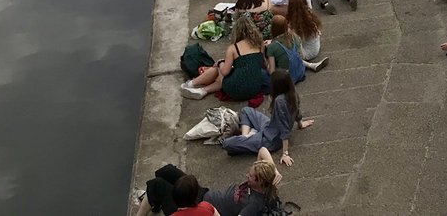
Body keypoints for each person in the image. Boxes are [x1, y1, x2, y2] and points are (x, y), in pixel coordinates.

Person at [220, 68, 314, 164]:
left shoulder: (279, 101)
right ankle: (246, 136)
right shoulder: (293, 93)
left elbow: (284, 128)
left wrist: (285, 153)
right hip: (269, 126)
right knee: (246, 110)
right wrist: (300, 123)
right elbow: (297, 111)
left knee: (227, 143)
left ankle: (248, 138)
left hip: (271, 140)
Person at [135, 155, 280, 216]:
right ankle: (154, 203)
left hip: (198, 205)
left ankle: (151, 200)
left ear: (260, 181)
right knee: (166, 171)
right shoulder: (259, 183)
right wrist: (274, 170)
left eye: (250, 176)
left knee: (157, 185)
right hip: (203, 193)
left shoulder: (254, 203)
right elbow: (262, 151)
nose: (246, 176)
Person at [180, 15, 266, 101]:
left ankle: (193, 84)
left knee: (220, 68)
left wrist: (220, 63)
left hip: (235, 90)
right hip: (254, 87)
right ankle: (202, 90)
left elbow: (225, 72)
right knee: (224, 71)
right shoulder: (260, 43)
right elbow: (263, 63)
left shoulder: (233, 48)